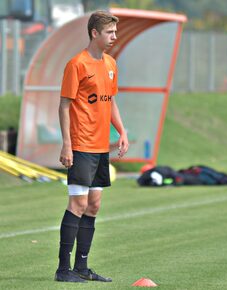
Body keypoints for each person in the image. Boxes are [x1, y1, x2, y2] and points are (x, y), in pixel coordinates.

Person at [55, 10, 129, 283]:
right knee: (78, 202)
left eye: (115, 32)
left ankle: (82, 268)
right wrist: (67, 144)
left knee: (94, 205)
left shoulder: (110, 63)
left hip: (100, 148)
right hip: (81, 144)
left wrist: (122, 131)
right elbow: (64, 105)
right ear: (94, 33)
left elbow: (110, 101)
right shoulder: (77, 64)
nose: (114, 37)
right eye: (109, 32)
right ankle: (63, 270)